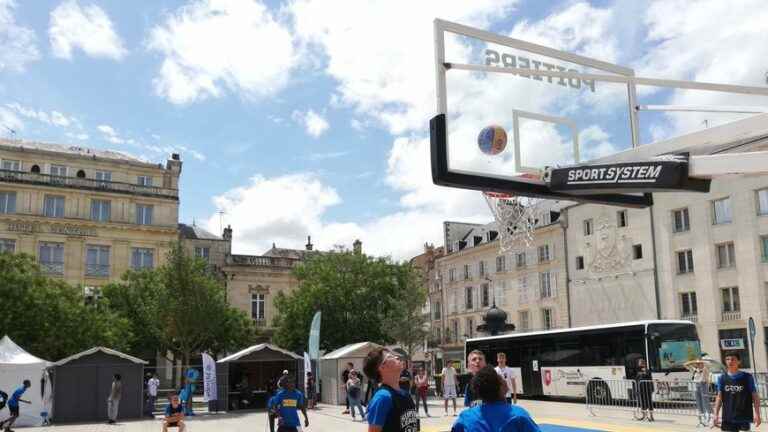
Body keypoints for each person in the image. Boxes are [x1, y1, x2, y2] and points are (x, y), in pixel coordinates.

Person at [450, 366, 540, 432]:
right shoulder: (518, 415)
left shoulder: (466, 417)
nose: (505, 380)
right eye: (501, 379)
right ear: (500, 388)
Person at [364, 348, 419, 432]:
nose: (396, 357)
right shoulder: (383, 397)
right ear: (382, 367)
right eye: (390, 356)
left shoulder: (406, 395)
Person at [714, 351, 761, 431]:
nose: (730, 361)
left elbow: (755, 396)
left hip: (743, 416)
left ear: (739, 361)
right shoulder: (721, 378)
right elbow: (719, 397)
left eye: (733, 359)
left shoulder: (747, 377)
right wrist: (715, 414)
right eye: (727, 359)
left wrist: (757, 414)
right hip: (728, 417)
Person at [691, 359, 712, 424]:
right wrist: (694, 362)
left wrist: (702, 361)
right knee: (699, 401)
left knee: (705, 401)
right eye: (697, 364)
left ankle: (710, 415)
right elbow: (685, 365)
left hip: (703, 385)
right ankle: (702, 417)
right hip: (696, 386)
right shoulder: (695, 370)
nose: (698, 364)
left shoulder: (705, 369)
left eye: (700, 363)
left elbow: (708, 364)